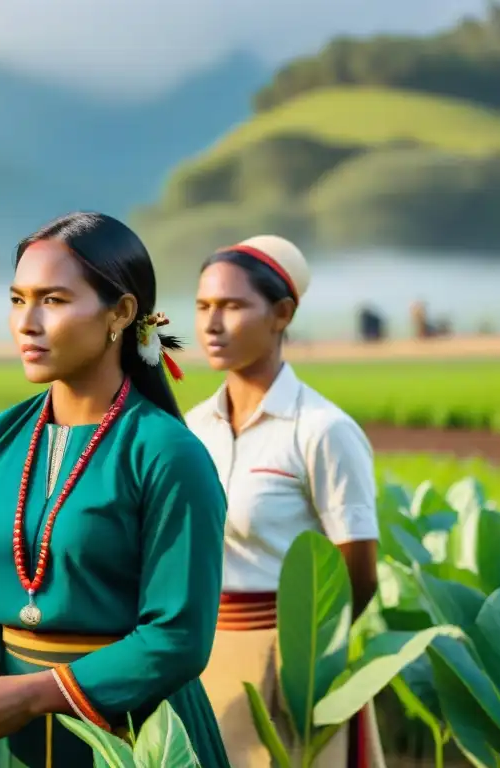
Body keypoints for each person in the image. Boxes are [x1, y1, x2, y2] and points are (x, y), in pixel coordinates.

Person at [0, 212, 230, 768]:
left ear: (121, 312)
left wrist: (35, 694)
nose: (26, 323)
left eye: (54, 301)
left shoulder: (168, 454)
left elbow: (178, 636)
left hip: (134, 734)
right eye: (18, 300)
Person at [186, 236, 384, 768]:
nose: (211, 324)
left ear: (281, 314)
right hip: (203, 659)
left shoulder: (321, 430)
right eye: (203, 306)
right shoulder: (192, 428)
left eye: (231, 306)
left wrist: (306, 657)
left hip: (292, 664)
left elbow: (358, 573)